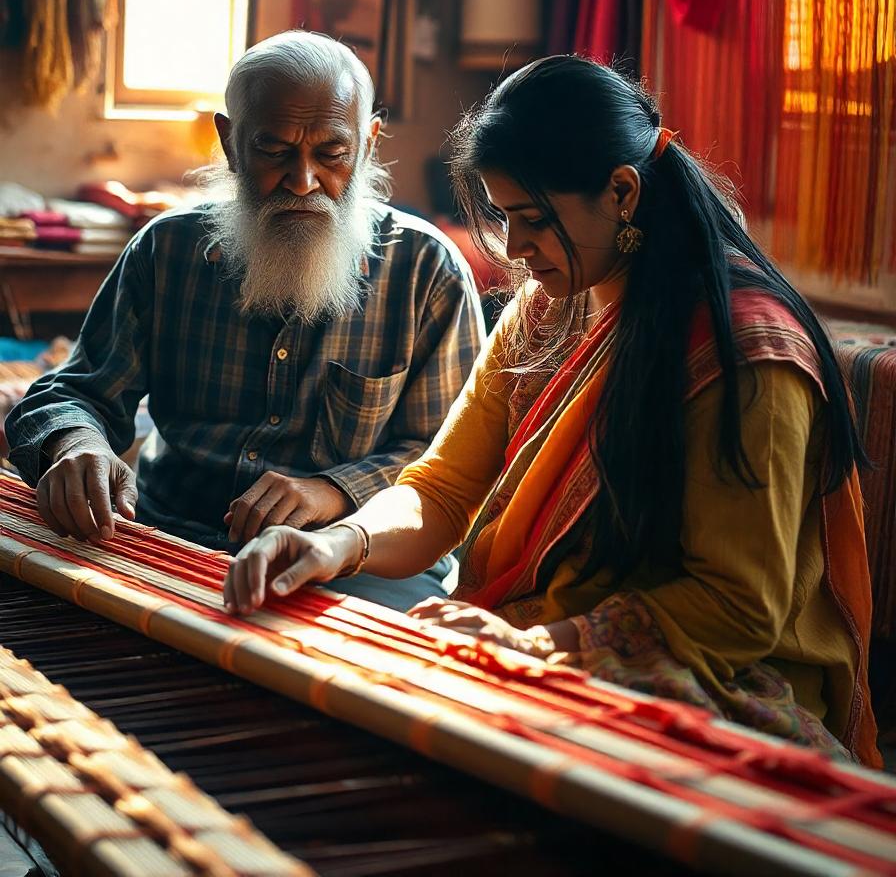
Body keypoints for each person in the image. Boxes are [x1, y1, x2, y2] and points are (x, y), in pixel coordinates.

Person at [223, 56, 881, 767]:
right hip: (530, 641)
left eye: (532, 219)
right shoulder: (548, 310)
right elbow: (442, 490)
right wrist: (338, 544)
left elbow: (737, 608)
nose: (514, 248)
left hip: (708, 682)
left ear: (621, 192)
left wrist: (536, 646)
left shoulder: (743, 351)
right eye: (505, 218)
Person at [6, 31, 484, 611]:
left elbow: (449, 463)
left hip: (355, 558)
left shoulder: (426, 271)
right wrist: (74, 441)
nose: (303, 182)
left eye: (331, 153)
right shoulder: (167, 251)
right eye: (275, 151)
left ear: (367, 143)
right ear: (231, 143)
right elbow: (73, 390)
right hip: (172, 536)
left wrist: (331, 492)